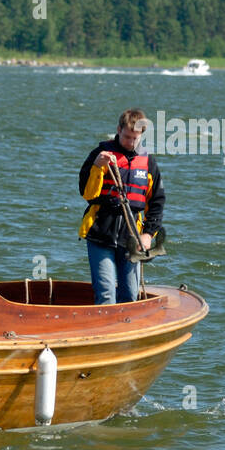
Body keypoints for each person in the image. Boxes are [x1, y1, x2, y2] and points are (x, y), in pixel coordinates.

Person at [78, 109, 165, 304]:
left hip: (131, 238)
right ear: (118, 130)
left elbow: (157, 202)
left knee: (129, 296)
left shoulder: (148, 162)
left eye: (136, 138)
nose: (131, 142)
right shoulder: (100, 154)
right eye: (127, 137)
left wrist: (148, 235)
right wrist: (97, 167)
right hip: (101, 233)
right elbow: (87, 194)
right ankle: (104, 332)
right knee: (106, 294)